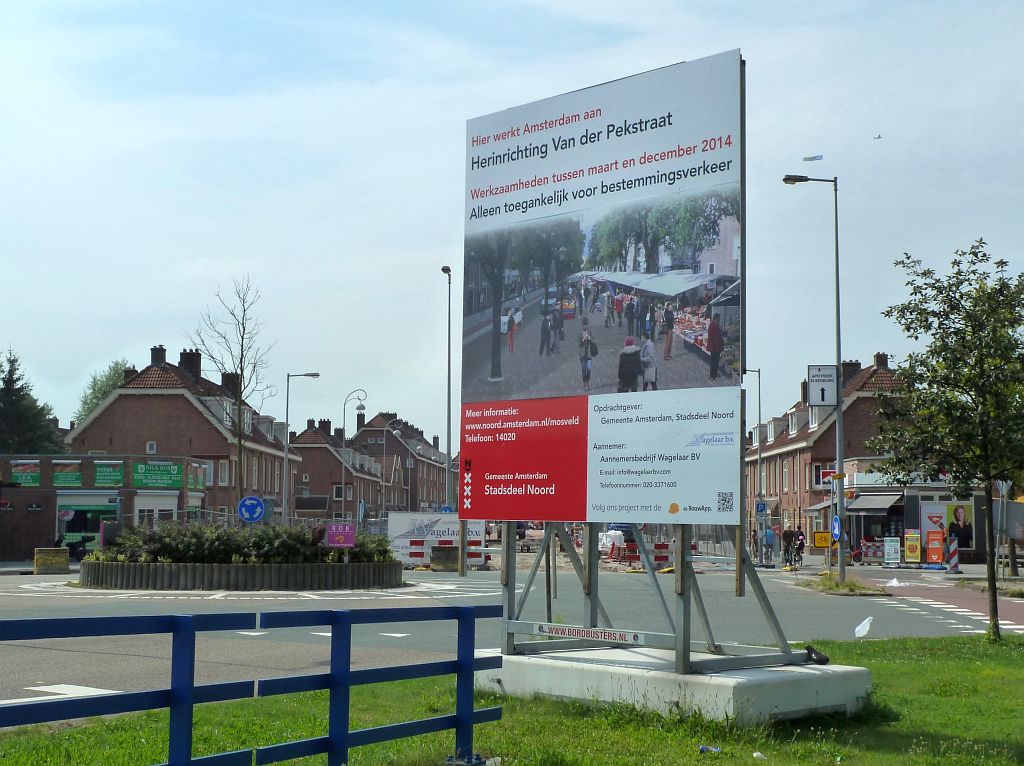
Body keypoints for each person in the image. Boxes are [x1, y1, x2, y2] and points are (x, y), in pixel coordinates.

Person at [707, 312, 725, 380]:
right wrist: (716, 346)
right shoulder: (712, 325)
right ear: (716, 318)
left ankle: (715, 373)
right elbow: (713, 337)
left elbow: (719, 334)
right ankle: (711, 376)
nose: (719, 319)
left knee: (716, 361)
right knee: (713, 361)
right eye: (719, 318)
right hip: (714, 346)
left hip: (717, 346)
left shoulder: (716, 325)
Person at [579, 317, 594, 391]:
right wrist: (583, 339)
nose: (585, 327)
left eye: (586, 325)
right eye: (584, 325)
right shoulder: (580, 332)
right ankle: (585, 384)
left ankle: (587, 381)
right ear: (583, 325)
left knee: (589, 369)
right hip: (582, 354)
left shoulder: (589, 331)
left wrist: (589, 338)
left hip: (589, 353)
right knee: (583, 369)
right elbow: (578, 343)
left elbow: (593, 339)